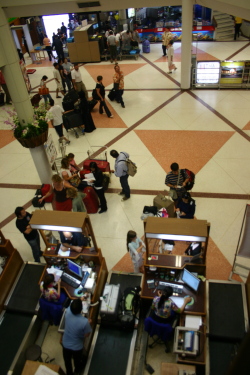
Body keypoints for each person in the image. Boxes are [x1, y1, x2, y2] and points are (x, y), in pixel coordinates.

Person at [62, 299, 92, 375]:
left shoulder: (68, 312)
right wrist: (89, 323)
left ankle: (69, 373)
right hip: (77, 348)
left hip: (65, 344)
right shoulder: (85, 322)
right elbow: (87, 335)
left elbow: (71, 305)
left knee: (67, 363)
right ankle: (77, 371)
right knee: (77, 361)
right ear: (81, 309)